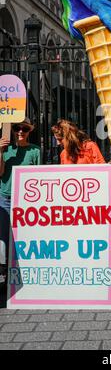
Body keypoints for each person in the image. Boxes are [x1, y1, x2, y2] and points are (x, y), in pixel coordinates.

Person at [0, 118, 40, 284]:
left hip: (25, 202)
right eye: (17, 128)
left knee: (24, 237)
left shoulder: (35, 151)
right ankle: (5, 273)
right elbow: (0, 173)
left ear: (29, 131)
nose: (20, 132)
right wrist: (1, 151)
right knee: (5, 238)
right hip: (6, 199)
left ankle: (23, 272)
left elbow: (38, 178)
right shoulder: (6, 149)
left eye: (24, 129)